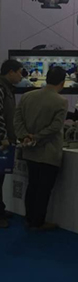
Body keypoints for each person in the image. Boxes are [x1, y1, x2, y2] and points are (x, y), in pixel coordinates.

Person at [14, 66, 68, 231]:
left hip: (30, 150)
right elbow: (55, 127)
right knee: (44, 188)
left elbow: (17, 120)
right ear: (62, 82)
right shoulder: (61, 101)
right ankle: (38, 222)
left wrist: (25, 136)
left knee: (32, 185)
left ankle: (30, 218)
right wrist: (36, 137)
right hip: (49, 151)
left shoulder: (27, 96)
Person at [0, 60, 22, 228]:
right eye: (20, 72)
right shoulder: (1, 88)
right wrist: (2, 137)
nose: (21, 76)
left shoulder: (7, 88)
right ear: (11, 72)